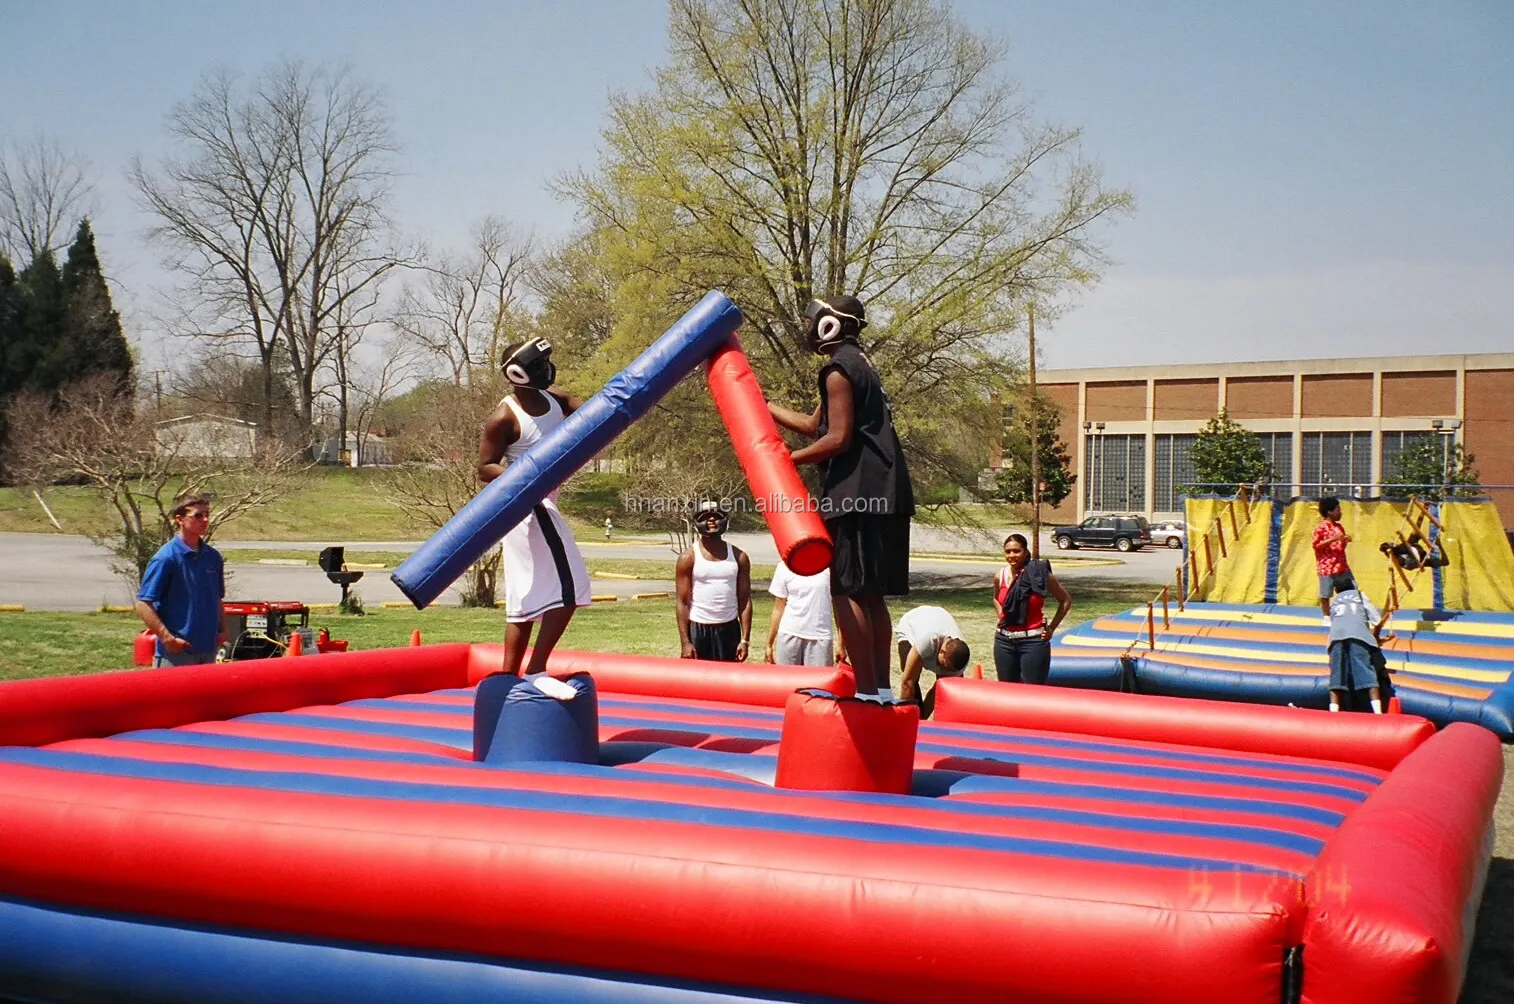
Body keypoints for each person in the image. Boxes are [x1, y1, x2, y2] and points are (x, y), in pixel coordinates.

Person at [769, 294, 914, 702]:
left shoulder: (836, 370)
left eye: (816, 318)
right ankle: (882, 689)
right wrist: (765, 409)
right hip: (887, 491)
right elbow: (817, 424)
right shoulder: (861, 365)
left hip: (856, 494)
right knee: (870, 594)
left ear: (831, 325)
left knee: (845, 589)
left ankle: (866, 692)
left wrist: (787, 461)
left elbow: (837, 438)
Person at [478, 338, 593, 676]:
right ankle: (537, 669)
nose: (547, 370)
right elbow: (484, 467)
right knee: (572, 588)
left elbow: (588, 410)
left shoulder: (553, 398)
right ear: (518, 374)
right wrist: (528, 476)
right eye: (539, 366)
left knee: (525, 599)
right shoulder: (503, 417)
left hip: (541, 504)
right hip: (529, 507)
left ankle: (507, 679)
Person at [135, 493, 226, 667]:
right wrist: (167, 638)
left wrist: (223, 630)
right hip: (176, 654)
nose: (205, 519)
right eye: (198, 515)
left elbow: (217, 598)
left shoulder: (213, 557)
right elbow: (143, 603)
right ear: (180, 519)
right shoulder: (166, 558)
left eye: (207, 514)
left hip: (208, 651)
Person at [676, 501, 753, 661]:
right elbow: (682, 602)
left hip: (729, 629)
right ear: (697, 522)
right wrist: (685, 642)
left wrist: (745, 640)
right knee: (698, 680)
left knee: (729, 680)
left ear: (725, 520)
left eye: (717, 516)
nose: (711, 520)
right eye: (705, 517)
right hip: (698, 628)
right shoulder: (687, 558)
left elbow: (744, 600)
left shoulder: (739, 557)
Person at [992, 532, 1072, 685]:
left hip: (1033, 642)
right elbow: (996, 598)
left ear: (1026, 552)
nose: (1012, 555)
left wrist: (1051, 628)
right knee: (1006, 692)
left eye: (1016, 551)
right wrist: (1001, 615)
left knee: (1032, 693)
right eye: (1008, 551)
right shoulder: (999, 576)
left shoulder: (1039, 574)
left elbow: (1065, 600)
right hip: (1004, 642)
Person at [894, 605, 970, 718]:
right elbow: (907, 681)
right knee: (910, 673)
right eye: (944, 666)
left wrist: (923, 719)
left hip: (937, 618)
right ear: (942, 652)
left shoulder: (959, 660)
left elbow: (938, 692)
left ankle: (920, 717)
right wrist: (904, 720)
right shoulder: (928, 640)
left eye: (949, 670)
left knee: (946, 685)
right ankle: (911, 717)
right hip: (912, 625)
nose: (945, 671)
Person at [1326, 588, 1393, 713]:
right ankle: (1377, 712)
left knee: (1336, 677)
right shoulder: (1360, 596)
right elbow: (1377, 623)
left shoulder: (1336, 602)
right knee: (1369, 674)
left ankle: (1333, 710)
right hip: (1360, 641)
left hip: (1336, 640)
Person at [764, 558, 834, 666]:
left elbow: (839, 607)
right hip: (789, 633)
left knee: (817, 681)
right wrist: (769, 643)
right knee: (787, 681)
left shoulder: (829, 567)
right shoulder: (784, 566)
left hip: (820, 636)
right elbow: (778, 607)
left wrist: (842, 644)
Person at [1312, 497, 1356, 621]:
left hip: (1341, 565)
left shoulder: (1339, 527)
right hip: (1327, 567)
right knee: (1326, 594)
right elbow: (1316, 546)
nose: (1340, 513)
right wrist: (1333, 539)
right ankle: (1326, 617)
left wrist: (1345, 541)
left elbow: (1340, 547)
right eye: (1338, 510)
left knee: (1352, 590)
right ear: (1329, 512)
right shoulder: (1320, 528)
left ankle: (1351, 615)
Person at [1379, 532, 1449, 571]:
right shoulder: (1401, 554)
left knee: (1415, 534)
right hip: (1411, 561)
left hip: (1413, 557)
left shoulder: (1408, 544)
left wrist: (1439, 545)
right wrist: (1439, 545)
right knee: (1408, 560)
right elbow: (1445, 562)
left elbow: (1445, 563)